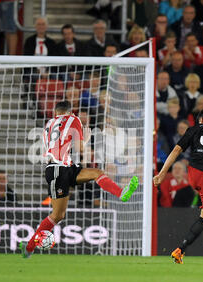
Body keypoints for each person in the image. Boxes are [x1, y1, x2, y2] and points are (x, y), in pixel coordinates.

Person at [20, 101, 139, 258]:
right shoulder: (73, 119)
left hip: (62, 167)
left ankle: (122, 193)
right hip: (58, 170)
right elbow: (80, 148)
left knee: (96, 173)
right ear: (70, 112)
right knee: (57, 215)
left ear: (56, 112)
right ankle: (29, 247)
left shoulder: (49, 124)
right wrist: (87, 138)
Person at [153, 108, 203, 264]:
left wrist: (162, 173)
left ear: (201, 120)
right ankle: (180, 250)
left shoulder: (195, 128)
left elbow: (177, 149)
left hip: (193, 173)